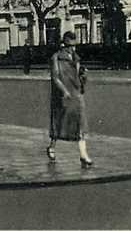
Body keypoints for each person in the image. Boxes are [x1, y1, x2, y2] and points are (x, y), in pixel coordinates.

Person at [47, 31, 92, 168]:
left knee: (80, 125)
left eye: (74, 46)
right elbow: (55, 77)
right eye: (69, 46)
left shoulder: (76, 58)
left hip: (76, 94)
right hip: (63, 96)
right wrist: (64, 91)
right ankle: (52, 147)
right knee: (59, 124)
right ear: (64, 45)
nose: (72, 49)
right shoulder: (55, 58)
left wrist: (83, 76)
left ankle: (83, 155)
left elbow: (79, 76)